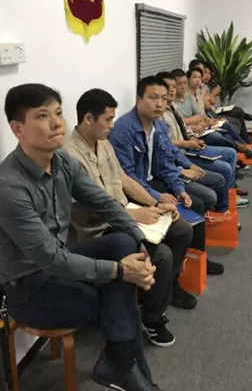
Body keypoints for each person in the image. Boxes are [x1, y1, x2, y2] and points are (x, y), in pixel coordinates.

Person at [0, 84, 160, 390]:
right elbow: (51, 258)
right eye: (43, 116)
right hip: (30, 287)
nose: (57, 123)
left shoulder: (62, 161)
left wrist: (141, 244)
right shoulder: (9, 187)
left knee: (122, 243)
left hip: (62, 264)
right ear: (18, 128)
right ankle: (126, 372)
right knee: (117, 299)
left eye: (58, 113)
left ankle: (120, 367)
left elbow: (105, 203)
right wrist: (122, 271)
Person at [66, 89, 195, 348]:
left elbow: (124, 179)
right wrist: (135, 214)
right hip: (98, 229)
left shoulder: (103, 143)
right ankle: (152, 319)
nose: (112, 125)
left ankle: (163, 289)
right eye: (108, 119)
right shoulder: (69, 156)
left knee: (182, 229)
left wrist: (155, 203)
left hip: (125, 214)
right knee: (161, 255)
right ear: (89, 119)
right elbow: (92, 205)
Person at [108, 76, 226, 275]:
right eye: (153, 98)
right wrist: (157, 196)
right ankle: (175, 270)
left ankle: (197, 259)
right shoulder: (123, 129)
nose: (160, 104)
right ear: (138, 100)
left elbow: (166, 166)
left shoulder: (160, 127)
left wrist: (179, 190)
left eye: (163, 99)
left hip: (154, 181)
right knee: (182, 218)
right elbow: (127, 176)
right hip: (134, 190)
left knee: (195, 203)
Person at [158, 72, 246, 209]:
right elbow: (167, 144)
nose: (172, 90)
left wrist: (192, 138)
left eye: (174, 86)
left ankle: (231, 193)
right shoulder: (159, 114)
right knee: (225, 168)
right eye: (168, 87)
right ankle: (225, 206)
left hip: (189, 147)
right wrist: (188, 144)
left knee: (230, 152)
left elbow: (185, 127)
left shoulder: (173, 107)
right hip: (184, 153)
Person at [182, 68, 252, 158]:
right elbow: (196, 116)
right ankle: (245, 149)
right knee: (220, 135)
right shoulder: (186, 97)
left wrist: (211, 120)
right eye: (194, 77)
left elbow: (203, 113)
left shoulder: (198, 93)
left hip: (206, 123)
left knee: (227, 124)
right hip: (197, 130)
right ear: (188, 79)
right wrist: (204, 121)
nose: (198, 80)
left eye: (200, 78)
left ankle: (245, 148)